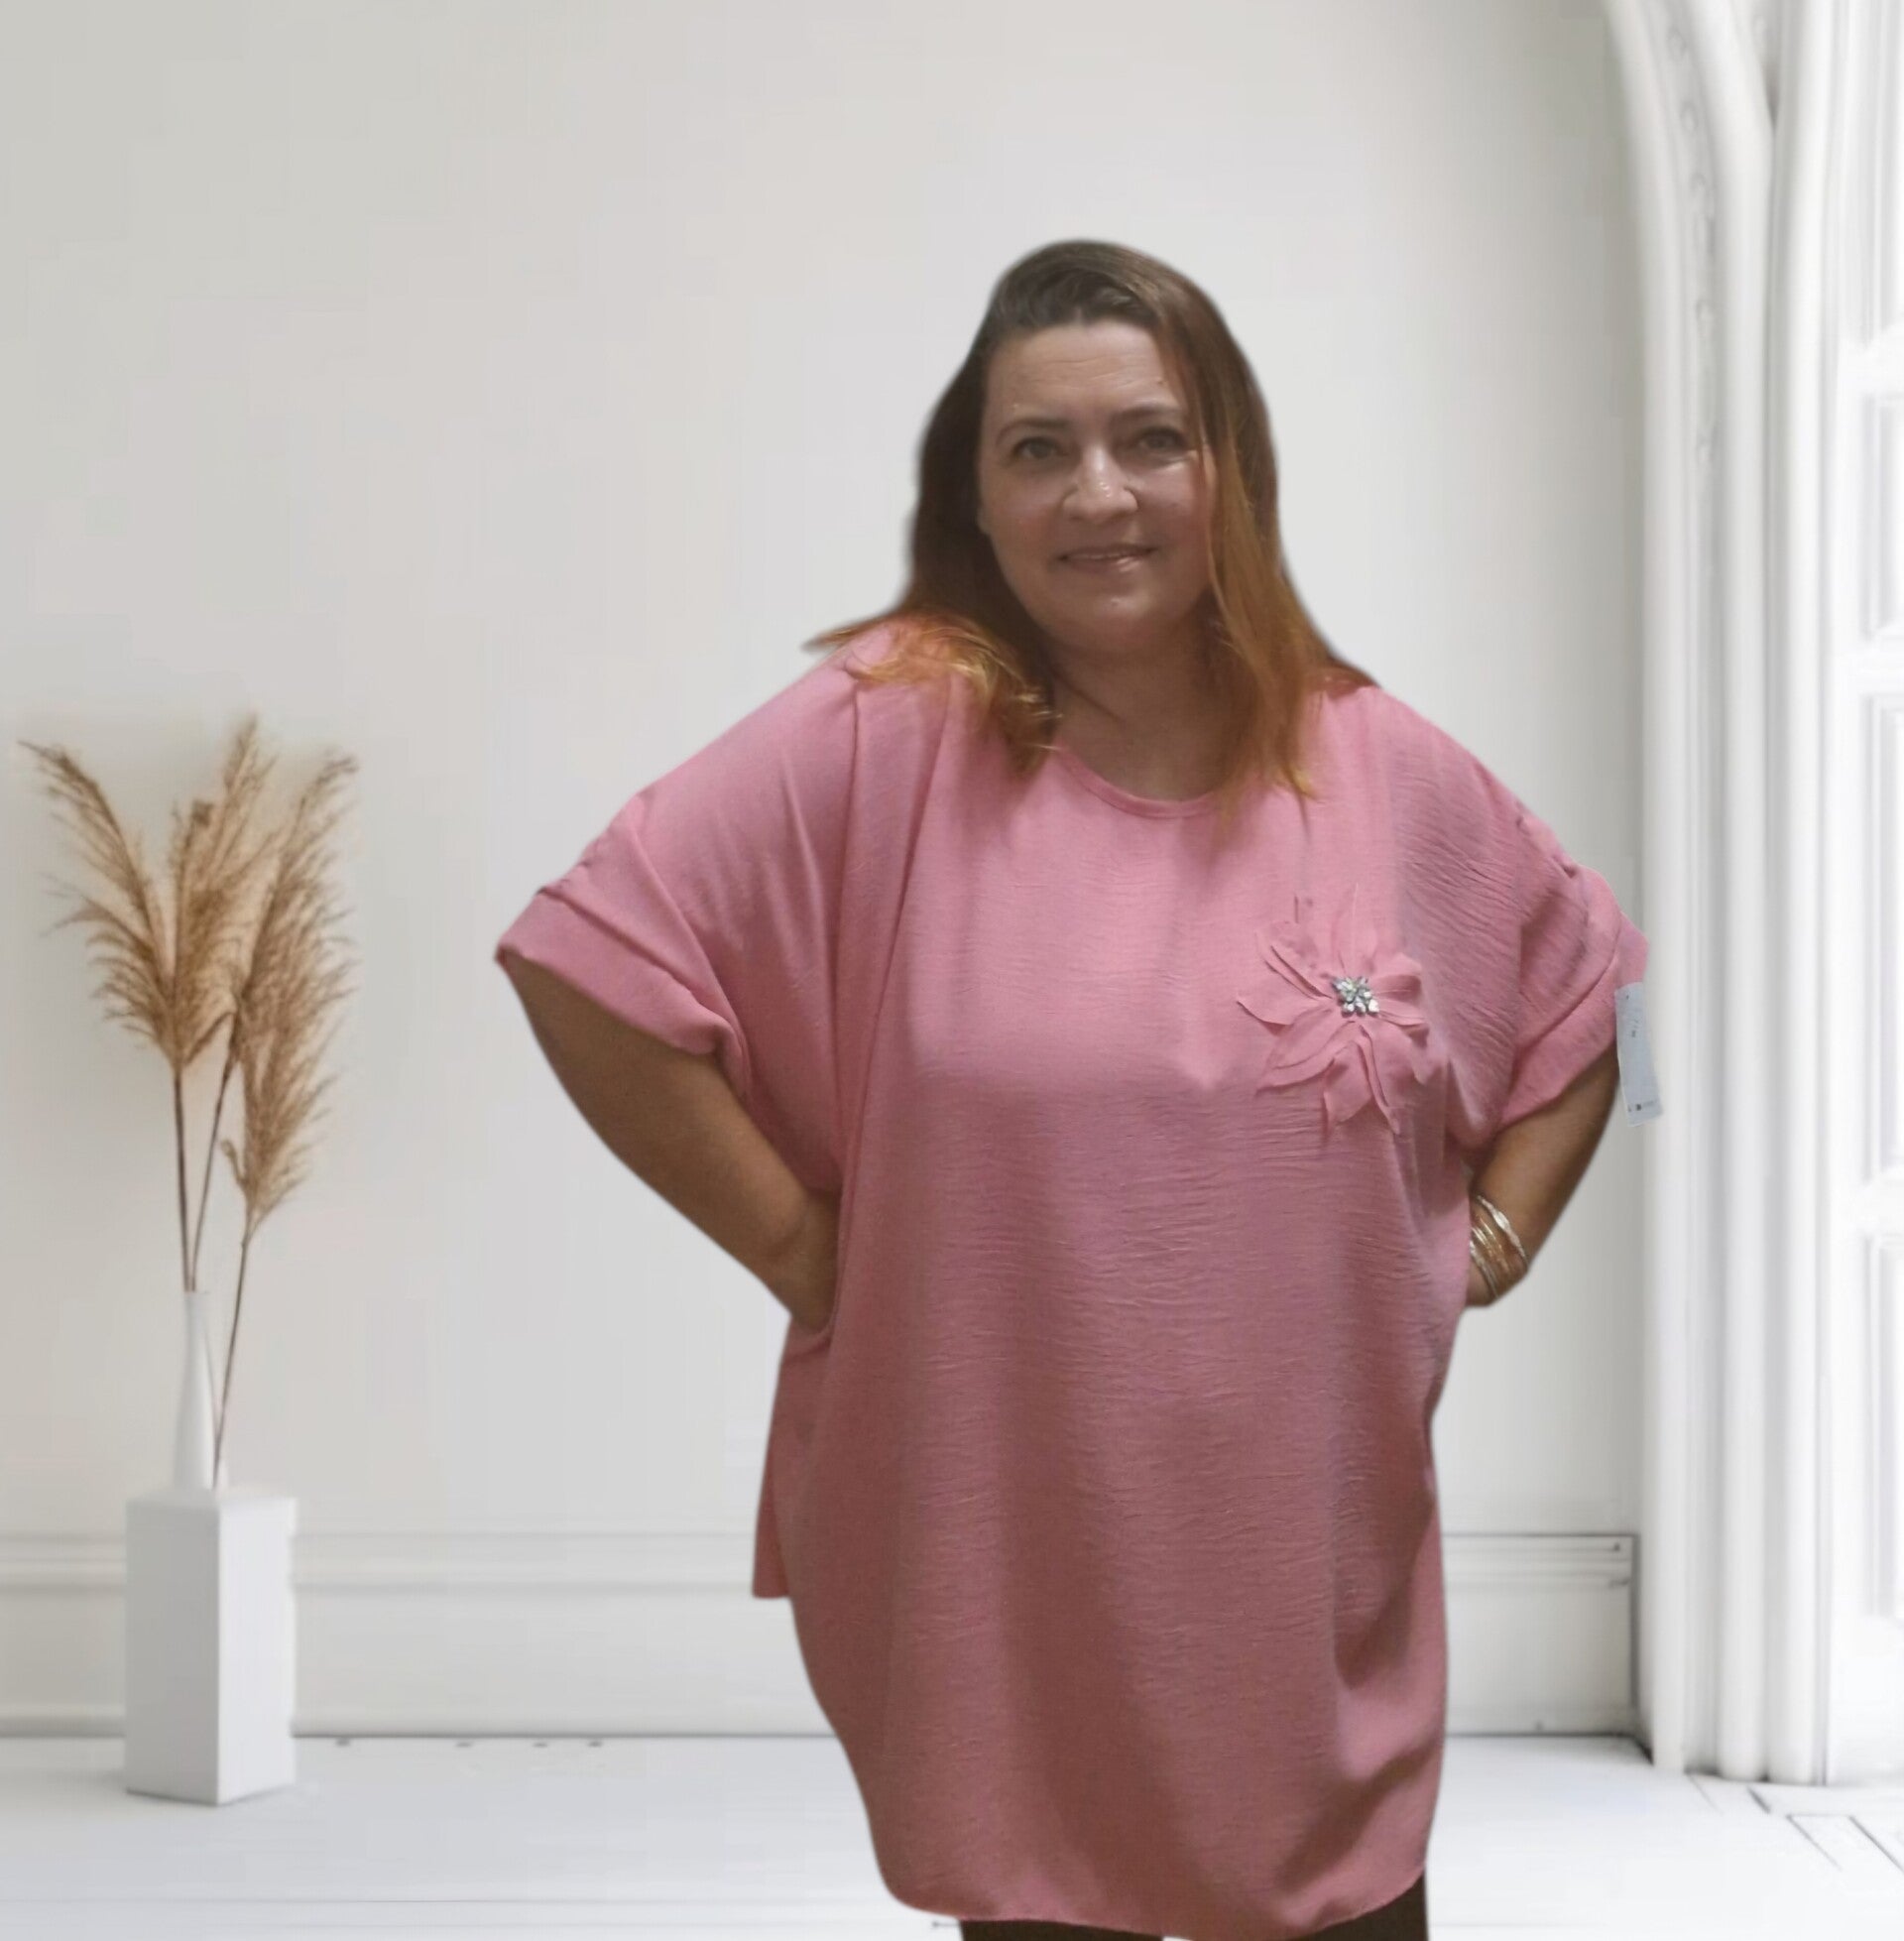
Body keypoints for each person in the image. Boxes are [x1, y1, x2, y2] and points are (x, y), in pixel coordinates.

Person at [494, 240, 1646, 1941]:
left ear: (1229, 465)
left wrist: (1487, 1245)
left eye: (1150, 439)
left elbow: (1587, 1002)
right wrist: (807, 1252)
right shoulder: (887, 733)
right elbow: (585, 963)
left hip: (1305, 1594)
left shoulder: (1370, 761)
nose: (1098, 494)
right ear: (977, 492)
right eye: (1039, 449)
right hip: (1015, 1574)